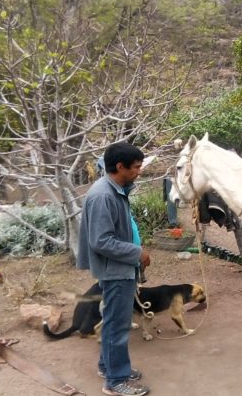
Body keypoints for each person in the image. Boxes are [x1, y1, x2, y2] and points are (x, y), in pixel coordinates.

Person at [77, 142, 151, 396]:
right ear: (120, 166)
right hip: (115, 271)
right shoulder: (103, 195)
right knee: (117, 325)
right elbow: (101, 241)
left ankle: (107, 366)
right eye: (137, 167)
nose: (139, 171)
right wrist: (137, 252)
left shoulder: (115, 188)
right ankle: (115, 382)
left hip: (121, 268)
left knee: (114, 322)